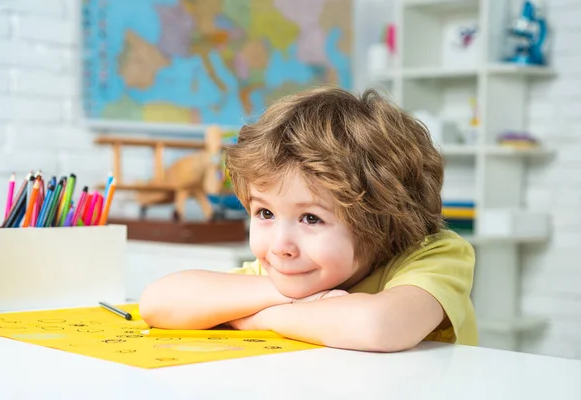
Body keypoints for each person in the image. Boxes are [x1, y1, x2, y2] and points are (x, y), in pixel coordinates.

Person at [139, 87, 477, 352]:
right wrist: (289, 297)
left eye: (311, 219)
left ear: (382, 220)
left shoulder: (435, 255)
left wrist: (255, 319)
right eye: (265, 213)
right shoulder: (289, 272)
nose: (281, 245)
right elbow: (158, 302)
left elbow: (378, 326)